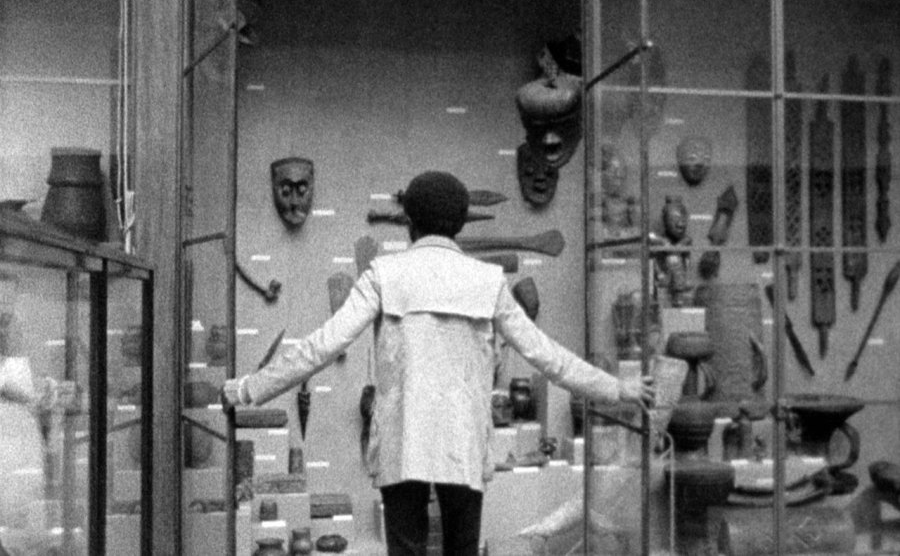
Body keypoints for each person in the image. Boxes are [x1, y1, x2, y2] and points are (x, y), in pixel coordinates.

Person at [221, 170, 656, 556]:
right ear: (462, 223)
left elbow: (320, 346)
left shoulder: (384, 275)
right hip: (462, 443)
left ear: (410, 221)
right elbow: (548, 356)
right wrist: (619, 388)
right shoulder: (487, 280)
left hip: (403, 441)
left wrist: (245, 389)